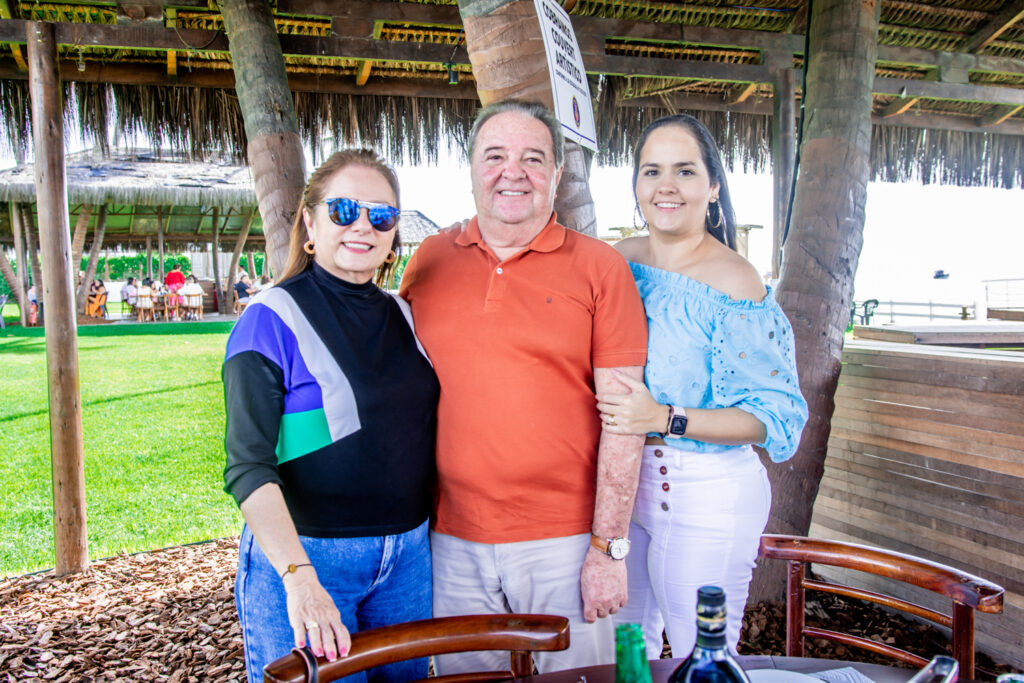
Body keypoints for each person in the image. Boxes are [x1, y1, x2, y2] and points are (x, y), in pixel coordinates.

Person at [399, 99, 649, 673]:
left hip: (564, 541)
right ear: (471, 170)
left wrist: (608, 550)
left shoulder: (600, 267)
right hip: (450, 536)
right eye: (495, 156)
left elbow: (626, 418)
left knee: (580, 681)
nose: (513, 172)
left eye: (533, 158)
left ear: (557, 176)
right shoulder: (429, 261)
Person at [223, 149, 439, 683]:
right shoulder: (268, 320)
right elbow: (247, 467)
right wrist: (299, 579)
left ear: (393, 235)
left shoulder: (405, 314)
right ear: (310, 221)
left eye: (381, 215)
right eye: (344, 210)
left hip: (409, 559)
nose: (362, 225)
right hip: (310, 558)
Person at [598, 113, 809, 658]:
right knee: (627, 653)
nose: (666, 185)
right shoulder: (618, 260)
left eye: (685, 171)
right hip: (623, 491)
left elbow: (772, 415)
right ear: (637, 186)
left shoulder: (734, 280)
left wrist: (664, 417)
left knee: (702, 656)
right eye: (652, 171)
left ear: (713, 188)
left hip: (704, 493)